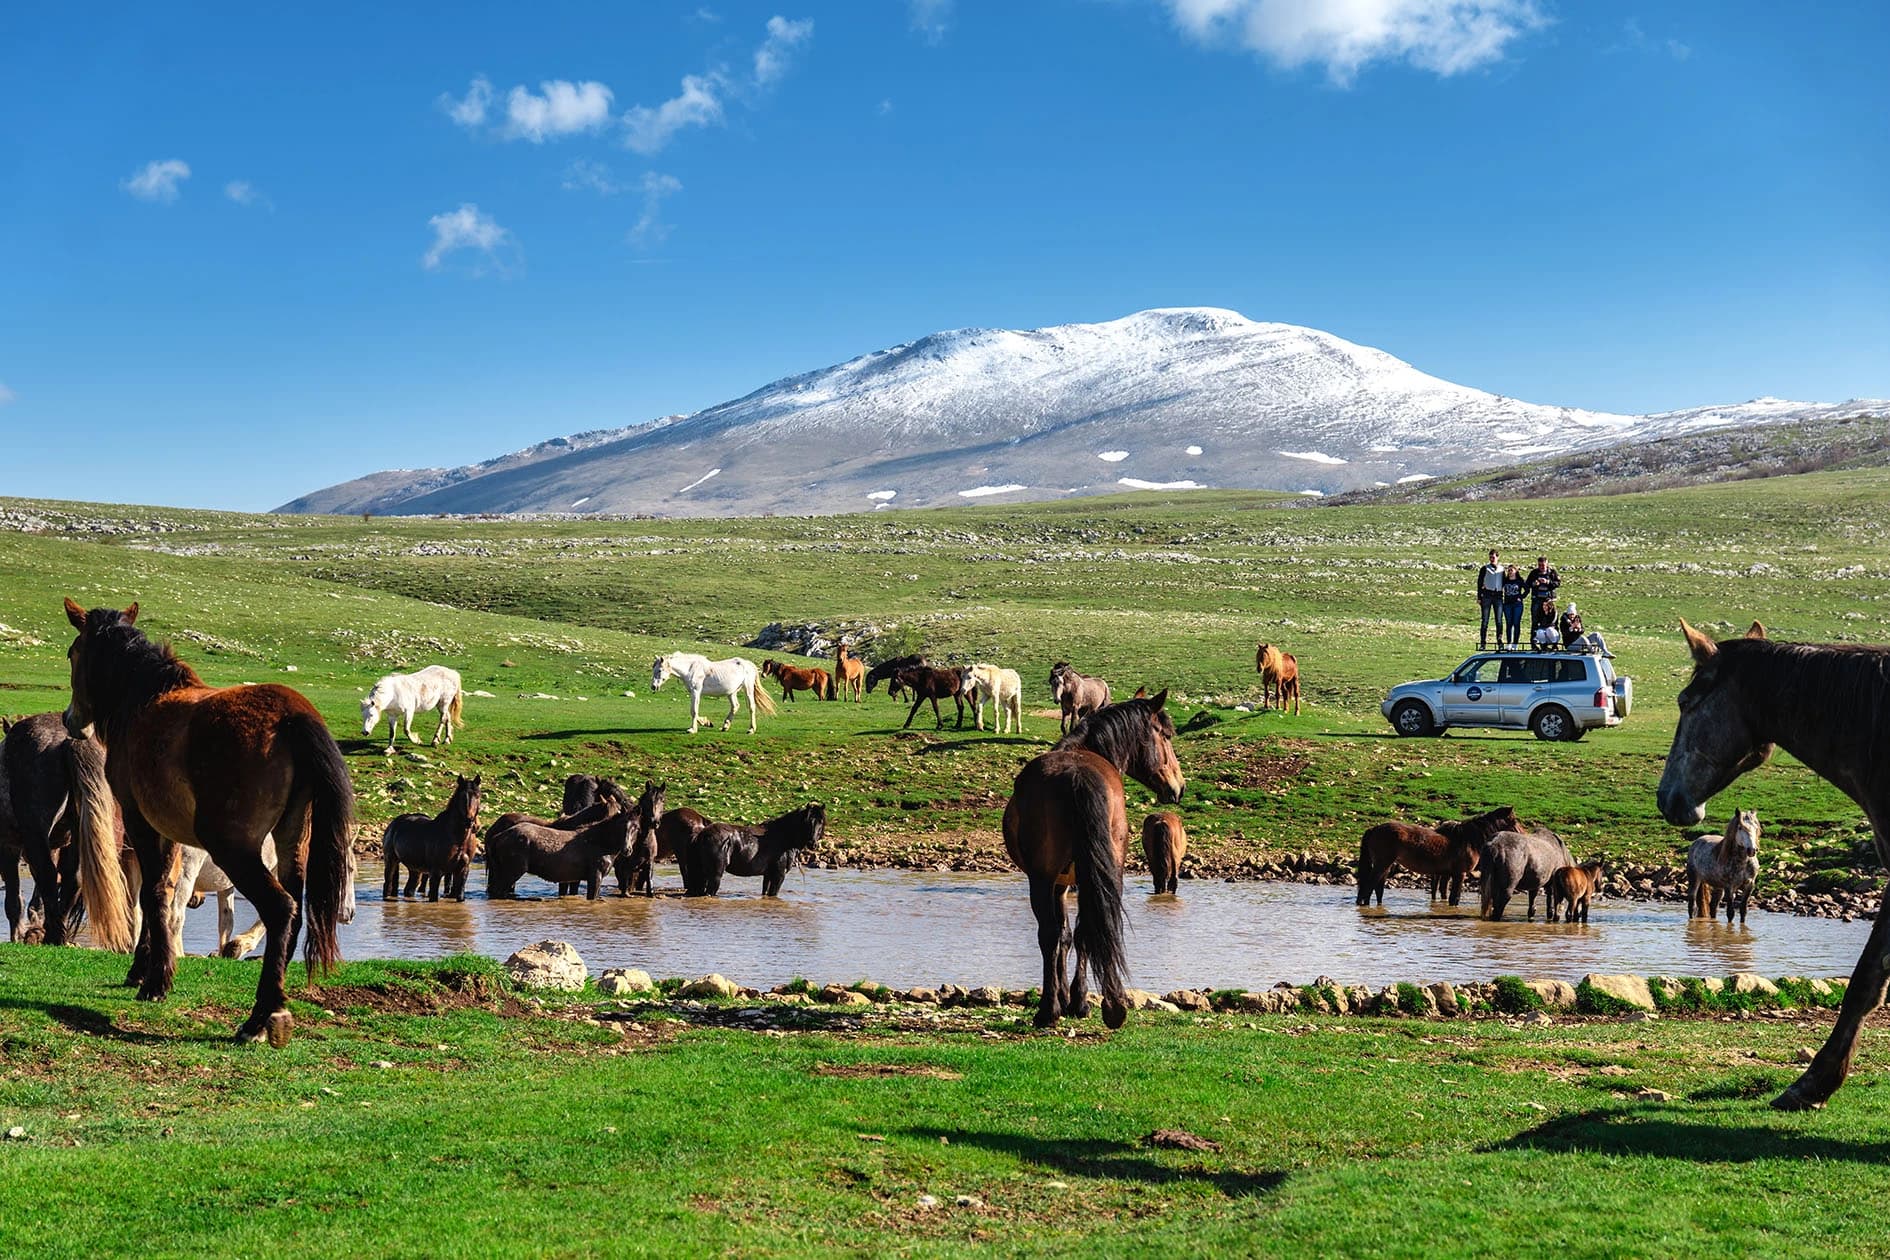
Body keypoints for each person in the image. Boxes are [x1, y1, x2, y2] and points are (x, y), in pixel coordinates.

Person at [1476, 549, 1504, 649]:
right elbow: (1479, 583)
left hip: (1498, 596)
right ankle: (1483, 642)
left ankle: (1500, 641)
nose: (1492, 559)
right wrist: (1479, 597)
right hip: (1487, 595)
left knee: (1499, 620)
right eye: (1490, 557)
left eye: (1493, 557)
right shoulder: (1485, 568)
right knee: (1485, 620)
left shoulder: (1502, 569)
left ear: (1497, 557)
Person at [1527, 556, 1560, 633]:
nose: (1541, 567)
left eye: (1543, 565)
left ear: (1547, 564)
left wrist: (1548, 582)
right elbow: (1527, 584)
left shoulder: (1552, 572)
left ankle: (1553, 641)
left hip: (1549, 600)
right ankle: (1534, 641)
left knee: (1553, 620)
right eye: (1540, 565)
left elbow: (1558, 583)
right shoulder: (1534, 573)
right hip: (1537, 600)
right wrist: (1534, 584)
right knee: (1535, 620)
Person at [1501, 563, 1526, 648]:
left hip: (1517, 604)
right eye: (1509, 570)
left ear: (1516, 571)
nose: (1510, 572)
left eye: (1512, 570)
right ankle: (1508, 643)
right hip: (1507, 604)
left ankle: (1515, 643)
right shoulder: (1505, 580)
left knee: (1516, 623)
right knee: (1509, 623)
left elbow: (1527, 589)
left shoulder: (1519, 580)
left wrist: (1521, 597)